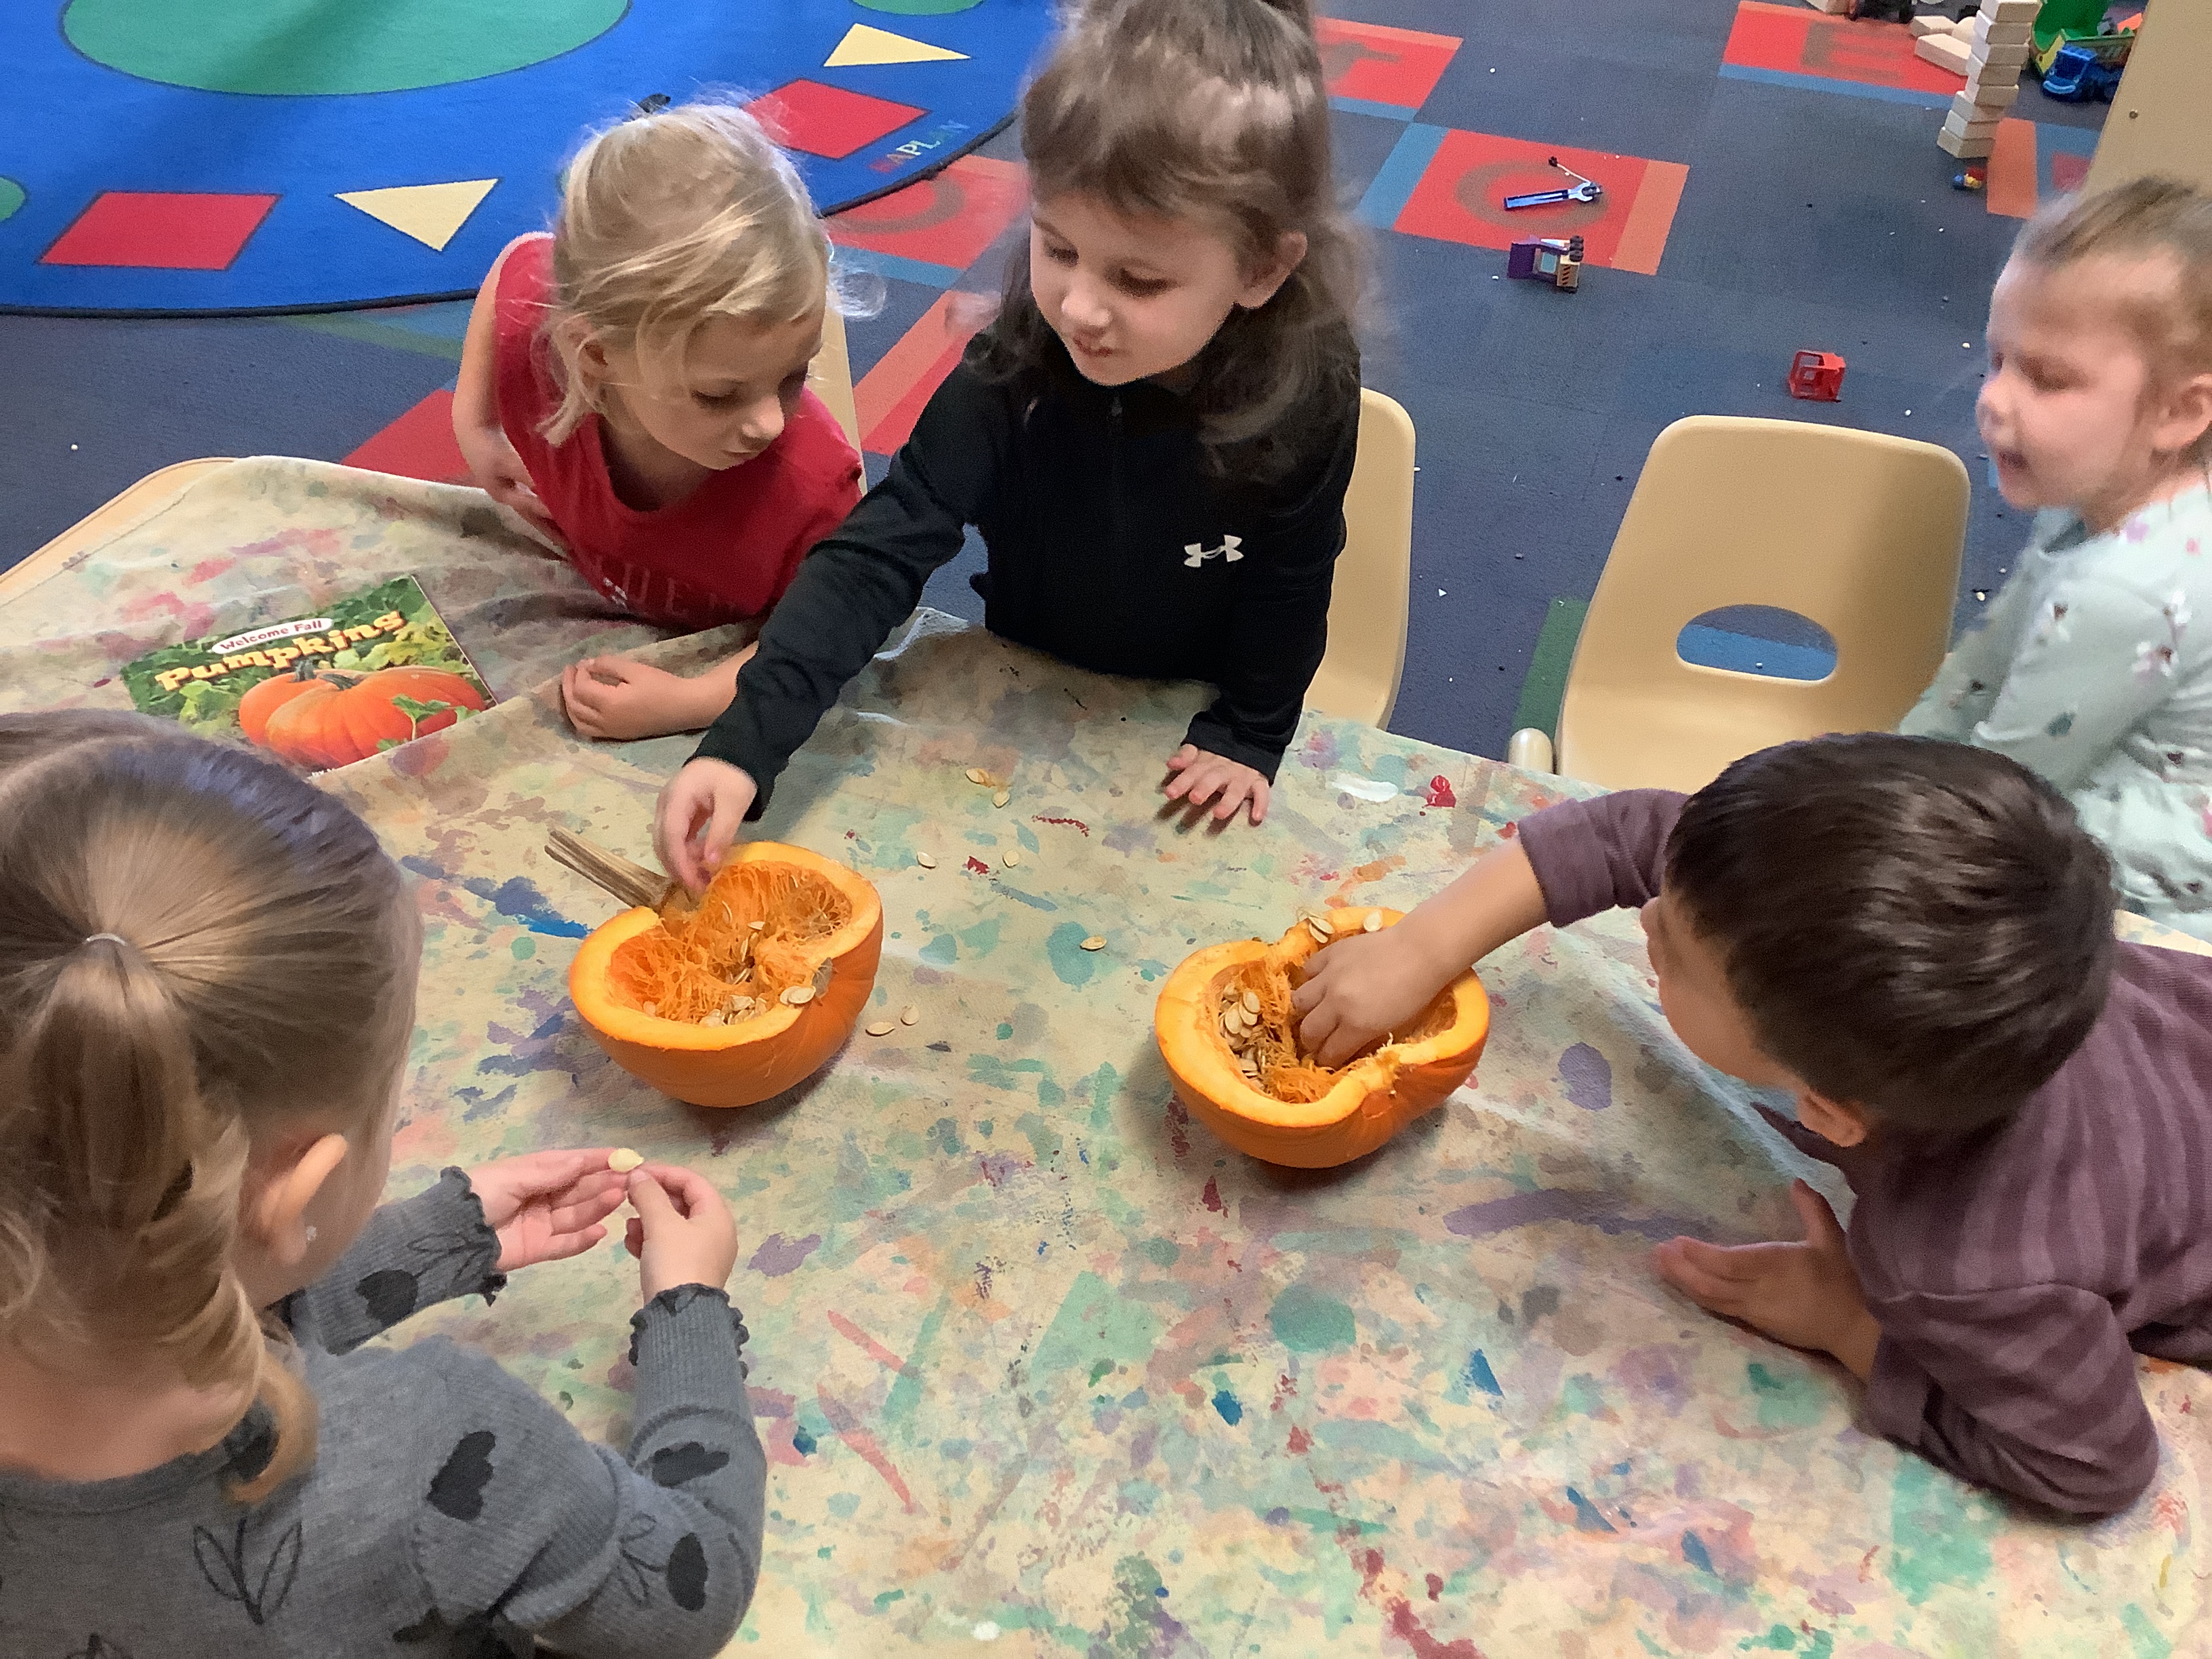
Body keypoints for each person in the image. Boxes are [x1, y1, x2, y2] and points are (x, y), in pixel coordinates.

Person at [0, 712, 766, 1655]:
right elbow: (688, 1593)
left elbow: (128, 1270)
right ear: (297, 1187)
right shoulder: (435, 1448)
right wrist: (690, 1313)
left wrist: (440, 1239)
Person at [1294, 733, 2212, 1517]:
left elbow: (2093, 1464)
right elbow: (1631, 833)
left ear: (1828, 1113)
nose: (1648, 917)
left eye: (1677, 960)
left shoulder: (1960, 1270)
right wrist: (1420, 946)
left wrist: (1850, 1327)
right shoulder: (2000, 950)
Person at [651, 0, 1365, 890]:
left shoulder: (1310, 389)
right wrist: (741, 749)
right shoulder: (1020, 369)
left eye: (1138, 280)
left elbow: (1290, 576)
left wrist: (1251, 733)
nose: (1079, 309)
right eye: (1058, 248)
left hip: (1189, 707)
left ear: (1261, 270)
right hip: (1031, 673)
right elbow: (878, 553)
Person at [452, 100, 863, 743]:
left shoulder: (813, 494)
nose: (768, 424)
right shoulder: (539, 340)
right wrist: (475, 427)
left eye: (792, 376)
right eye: (718, 395)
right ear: (596, 360)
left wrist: (694, 701)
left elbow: (832, 634)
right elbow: (520, 263)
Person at [1901, 176, 2212, 935]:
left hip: (2156, 911)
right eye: (1998, 358)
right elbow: (1992, 660)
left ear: (2179, 413)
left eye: (2047, 377)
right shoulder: (2112, 496)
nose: (1995, 400)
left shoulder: (2122, 593)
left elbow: (1999, 792)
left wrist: (1865, 795)